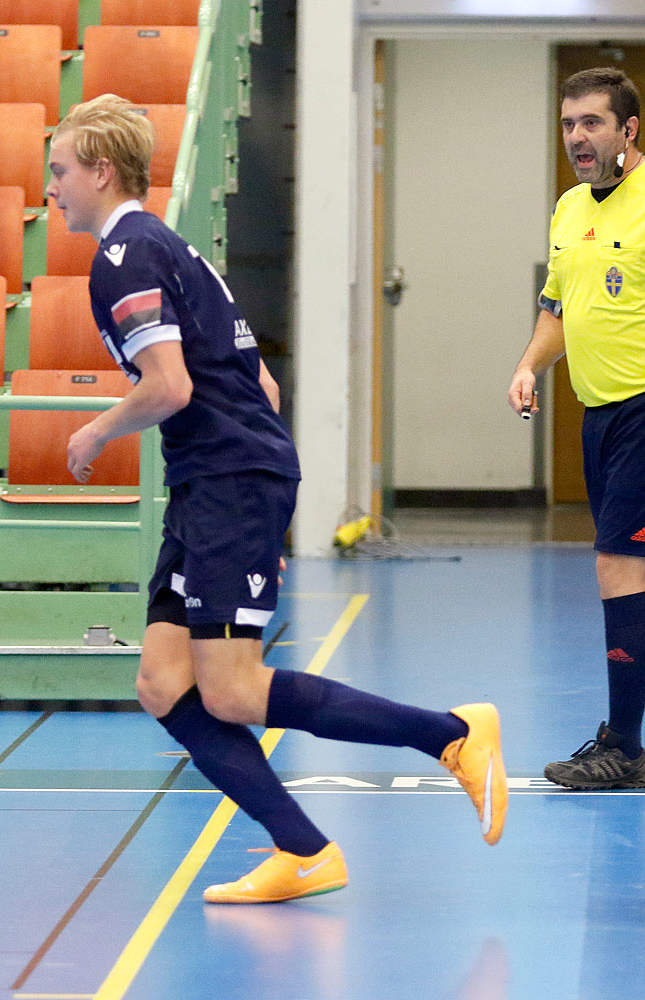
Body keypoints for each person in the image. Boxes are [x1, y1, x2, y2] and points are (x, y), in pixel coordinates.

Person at [48, 94, 507, 904]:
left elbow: (169, 386)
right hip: (219, 484)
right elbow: (259, 380)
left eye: (59, 171)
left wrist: (95, 433)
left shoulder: (125, 257)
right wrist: (261, 502)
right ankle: (304, 852)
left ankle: (453, 736)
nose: (50, 188)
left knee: (229, 689)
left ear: (101, 172)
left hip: (225, 482)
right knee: (162, 681)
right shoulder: (170, 249)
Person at [506, 68, 645, 790]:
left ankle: (624, 748)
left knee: (616, 569)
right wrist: (530, 366)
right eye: (569, 123)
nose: (577, 137)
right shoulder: (569, 208)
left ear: (629, 130)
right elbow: (559, 309)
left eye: (592, 123)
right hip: (598, 411)